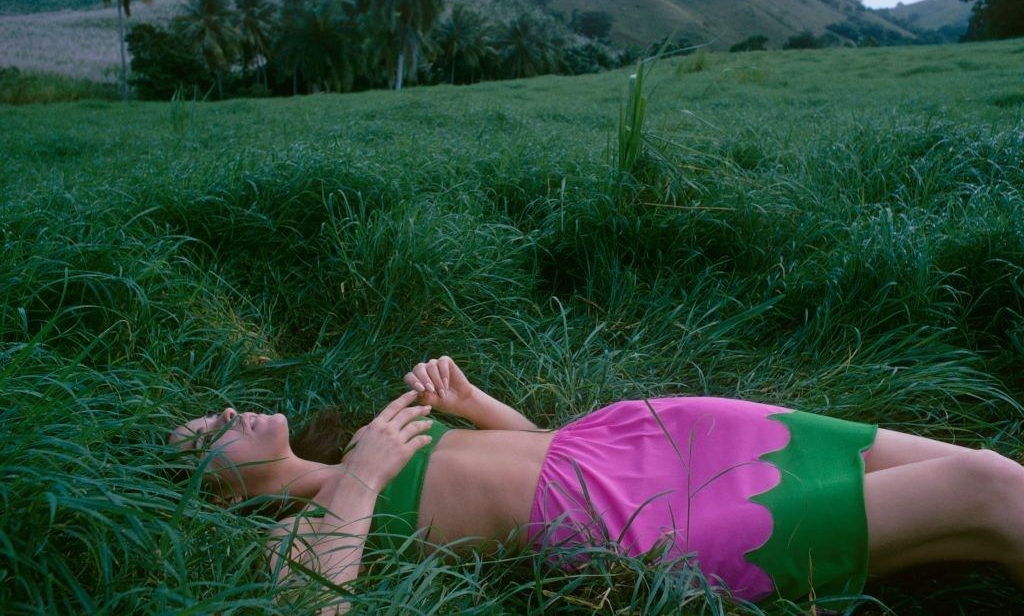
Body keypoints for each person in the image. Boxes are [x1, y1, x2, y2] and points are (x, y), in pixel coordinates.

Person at [170, 356, 1024, 611]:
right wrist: (356, 479)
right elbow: (314, 609)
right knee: (984, 487)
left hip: (643, 438)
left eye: (215, 408)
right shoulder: (306, 535)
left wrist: (471, 403)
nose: (227, 411)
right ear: (222, 493)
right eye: (207, 433)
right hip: (639, 518)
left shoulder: (374, 434)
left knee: (989, 478)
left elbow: (536, 452)